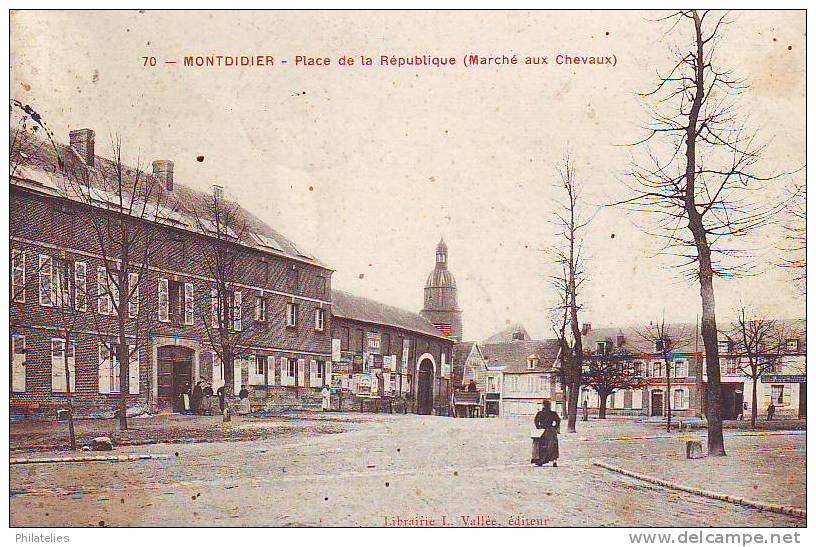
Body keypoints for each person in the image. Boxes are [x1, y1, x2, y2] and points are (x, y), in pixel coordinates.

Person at [532, 400, 561, 467]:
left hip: (543, 431)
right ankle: (554, 460)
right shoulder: (553, 413)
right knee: (553, 446)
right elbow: (558, 420)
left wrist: (538, 427)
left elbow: (536, 421)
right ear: (549, 406)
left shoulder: (540, 413)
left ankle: (541, 460)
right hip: (551, 431)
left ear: (543, 405)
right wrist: (555, 427)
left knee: (542, 446)